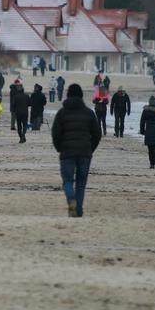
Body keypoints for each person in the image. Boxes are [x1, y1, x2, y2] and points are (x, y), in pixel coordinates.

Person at [51, 84, 101, 217]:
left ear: (67, 95)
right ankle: (78, 210)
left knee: (67, 181)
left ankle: (71, 199)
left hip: (67, 152)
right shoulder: (89, 113)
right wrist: (91, 149)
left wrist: (59, 148)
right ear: (81, 96)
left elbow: (55, 133)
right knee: (81, 183)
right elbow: (97, 134)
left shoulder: (62, 113)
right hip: (85, 152)